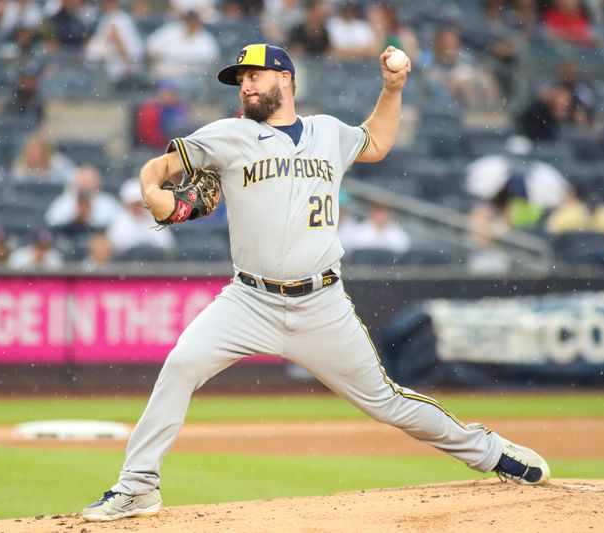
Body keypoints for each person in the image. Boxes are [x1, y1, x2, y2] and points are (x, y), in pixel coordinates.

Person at [82, 42, 550, 522]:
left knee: (386, 401)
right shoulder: (227, 135)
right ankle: (138, 486)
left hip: (321, 302)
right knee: (181, 365)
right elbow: (162, 166)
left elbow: (378, 141)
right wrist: (151, 189)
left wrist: (393, 89)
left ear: (285, 79)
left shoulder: (328, 132)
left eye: (254, 75)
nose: (245, 85)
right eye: (240, 79)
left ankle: (490, 452)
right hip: (248, 300)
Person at [107, 177, 176, 254]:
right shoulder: (119, 223)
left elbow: (167, 245)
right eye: (135, 204)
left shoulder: (154, 220)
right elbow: (117, 246)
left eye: (141, 203)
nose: (138, 208)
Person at [342, 200, 411, 254]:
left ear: (390, 214)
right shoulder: (357, 233)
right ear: (371, 212)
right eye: (378, 210)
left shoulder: (399, 236)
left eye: (385, 211)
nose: (381, 215)